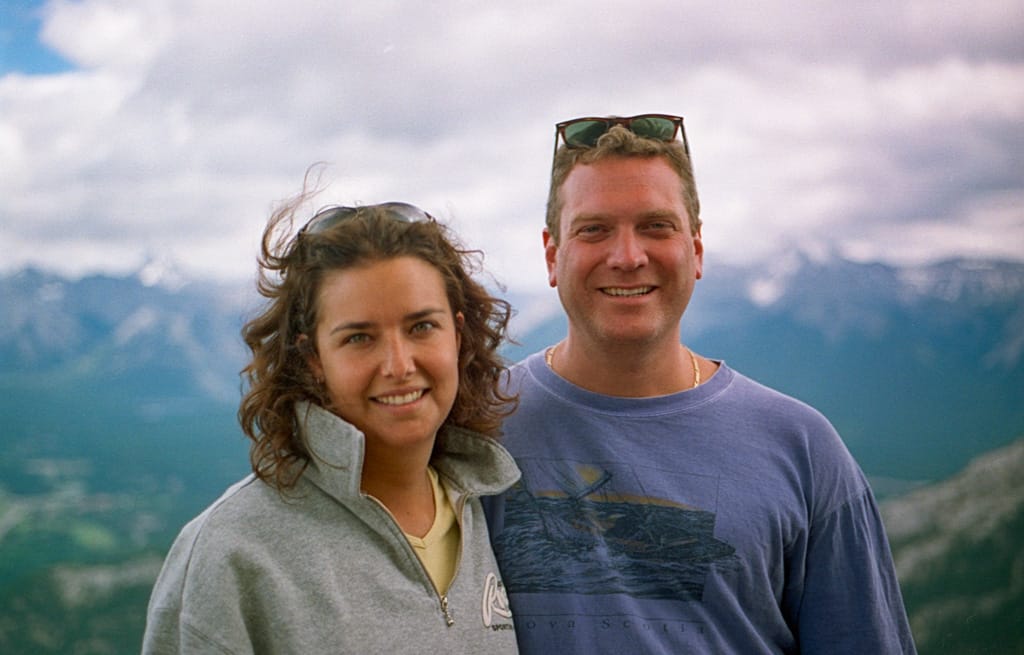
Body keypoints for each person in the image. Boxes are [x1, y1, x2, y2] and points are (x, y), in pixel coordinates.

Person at [483, 114, 916, 654]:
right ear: (552, 255)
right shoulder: (477, 425)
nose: (627, 256)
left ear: (697, 248)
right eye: (594, 229)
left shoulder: (804, 450)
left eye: (655, 227)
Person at [143, 186, 521, 653]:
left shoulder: (491, 510)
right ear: (313, 359)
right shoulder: (232, 551)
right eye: (359, 338)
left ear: (458, 336)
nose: (399, 364)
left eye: (422, 326)